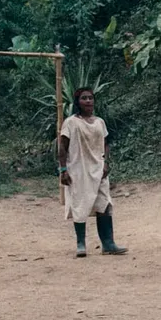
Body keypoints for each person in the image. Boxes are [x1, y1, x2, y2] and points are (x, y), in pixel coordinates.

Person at [58, 86, 127, 257]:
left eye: (90, 98)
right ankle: (81, 244)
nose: (88, 101)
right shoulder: (71, 122)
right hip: (78, 170)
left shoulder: (100, 122)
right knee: (80, 205)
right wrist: (63, 169)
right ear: (78, 102)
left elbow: (106, 143)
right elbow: (62, 147)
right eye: (84, 98)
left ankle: (108, 244)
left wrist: (106, 162)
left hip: (99, 169)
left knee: (104, 204)